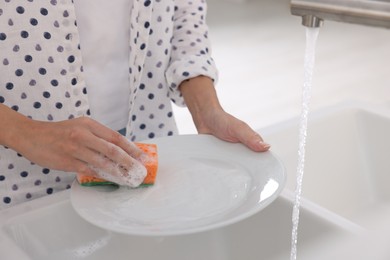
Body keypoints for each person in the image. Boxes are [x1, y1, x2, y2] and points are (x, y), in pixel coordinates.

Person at [0, 0, 270, 209]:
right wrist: (24, 132)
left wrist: (206, 109)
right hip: (21, 178)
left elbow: (184, 12)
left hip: (151, 146)